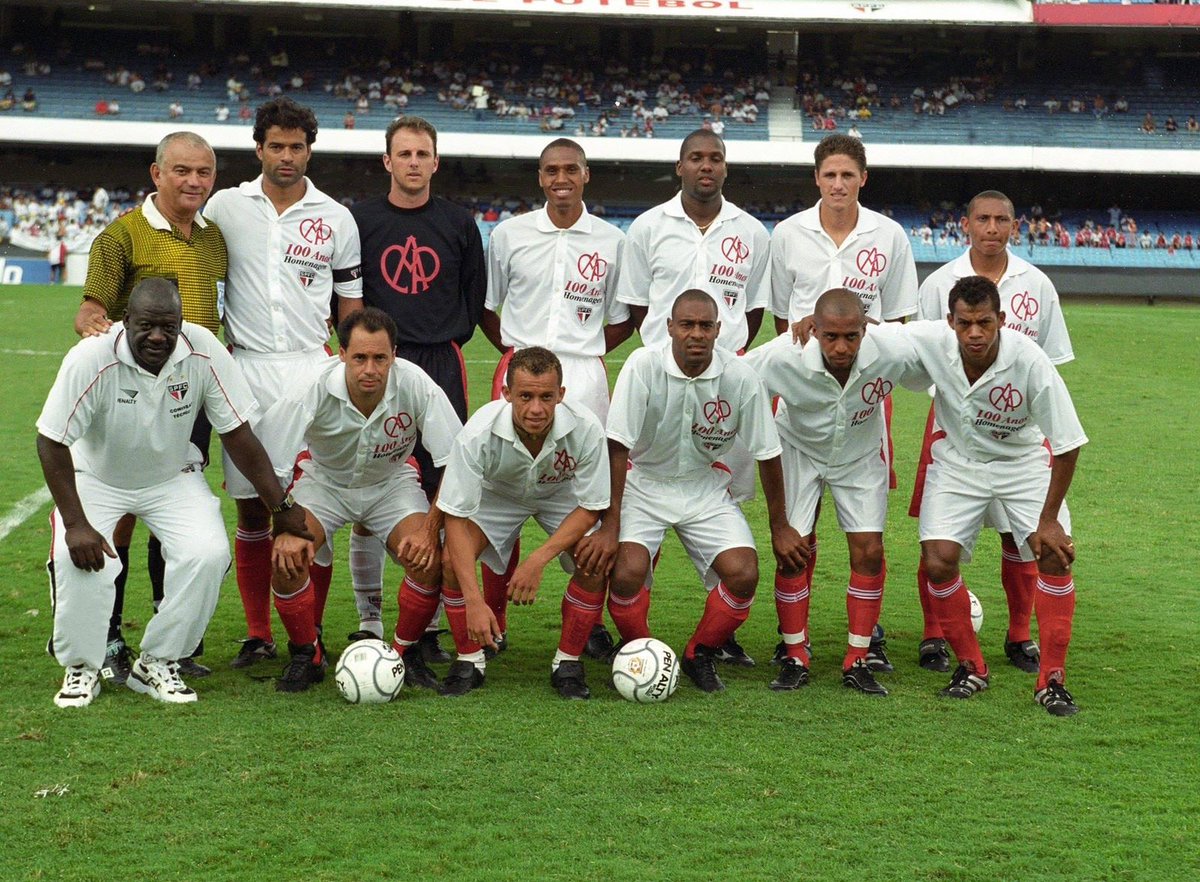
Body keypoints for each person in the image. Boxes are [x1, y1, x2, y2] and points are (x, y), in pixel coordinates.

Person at [38, 279, 310, 707]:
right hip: (96, 477)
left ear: (182, 323)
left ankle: (158, 661)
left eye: (169, 326)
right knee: (79, 557)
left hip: (171, 476)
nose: (158, 337)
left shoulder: (202, 350)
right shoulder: (90, 357)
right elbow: (51, 440)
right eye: (146, 326)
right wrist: (75, 524)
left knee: (208, 553)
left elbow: (238, 434)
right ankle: (81, 667)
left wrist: (281, 506)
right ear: (126, 320)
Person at [202, 97, 363, 670]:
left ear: (309, 150)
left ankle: (309, 630)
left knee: (309, 508)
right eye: (277, 146)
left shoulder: (336, 217)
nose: (287, 156)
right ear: (259, 149)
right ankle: (257, 633)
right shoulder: (225, 207)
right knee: (251, 509)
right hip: (244, 369)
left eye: (297, 146)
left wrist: (347, 366)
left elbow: (350, 302)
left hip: (310, 369)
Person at [595, 291, 808, 693]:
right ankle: (644, 652)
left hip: (704, 485)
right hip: (644, 483)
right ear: (669, 328)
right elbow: (618, 447)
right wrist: (610, 523)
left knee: (743, 573)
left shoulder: (740, 376)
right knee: (626, 573)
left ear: (718, 330)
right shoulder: (643, 365)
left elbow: (767, 453)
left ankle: (699, 654)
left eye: (705, 326)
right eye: (687, 325)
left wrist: (779, 525)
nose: (696, 334)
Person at [74, 131, 227, 685]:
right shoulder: (122, 236)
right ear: (156, 173)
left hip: (190, 398)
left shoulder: (213, 238)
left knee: (176, 517)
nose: (193, 181)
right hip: (129, 399)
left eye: (203, 172)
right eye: (182, 170)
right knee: (120, 519)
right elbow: (91, 308)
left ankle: (171, 641)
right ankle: (108, 637)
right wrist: (94, 324)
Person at [768, 133, 917, 671]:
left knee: (867, 539)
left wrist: (857, 334)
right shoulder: (787, 234)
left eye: (847, 175)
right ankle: (794, 643)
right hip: (804, 397)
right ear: (816, 178)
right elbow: (780, 318)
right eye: (829, 175)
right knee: (798, 534)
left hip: (863, 396)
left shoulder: (889, 235)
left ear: (863, 179)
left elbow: (900, 320)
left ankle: (865, 638)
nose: (838, 184)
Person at [904, 276, 1086, 715]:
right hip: (958, 462)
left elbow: (1067, 443)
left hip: (1021, 463)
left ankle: (1052, 680)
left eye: (984, 322)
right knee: (938, 559)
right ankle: (972, 667)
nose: (975, 333)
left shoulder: (1030, 360)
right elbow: (871, 334)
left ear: (1001, 319)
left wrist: (1048, 520)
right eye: (965, 323)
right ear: (949, 321)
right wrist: (814, 322)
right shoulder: (931, 340)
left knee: (1054, 554)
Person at [478, 137, 631, 660]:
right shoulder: (509, 234)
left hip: (584, 374)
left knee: (586, 491)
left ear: (586, 174)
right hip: (521, 370)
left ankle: (590, 625)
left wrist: (582, 353)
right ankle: (493, 620)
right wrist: (518, 356)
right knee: (503, 485)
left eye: (571, 169)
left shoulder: (612, 240)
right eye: (551, 170)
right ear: (540, 177)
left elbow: (622, 319)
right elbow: (488, 307)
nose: (560, 178)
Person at [910, 190, 1072, 675]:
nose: (992, 228)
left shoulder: (1037, 283)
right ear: (967, 224)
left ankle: (1020, 635)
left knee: (1019, 536)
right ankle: (934, 633)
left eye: (1002, 220)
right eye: (983, 218)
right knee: (938, 535)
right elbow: (922, 350)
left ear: (1014, 226)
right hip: (952, 427)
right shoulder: (939, 282)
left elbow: (1051, 365)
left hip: (1019, 430)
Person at [259, 308, 462, 692]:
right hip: (325, 482)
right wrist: (284, 523)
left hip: (391, 483)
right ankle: (306, 653)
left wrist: (429, 530)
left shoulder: (416, 383)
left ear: (394, 355)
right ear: (341, 354)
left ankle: (404, 653)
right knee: (288, 558)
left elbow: (455, 461)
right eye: (360, 358)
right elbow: (270, 461)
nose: (370, 369)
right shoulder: (311, 386)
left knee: (427, 557)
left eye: (380, 358)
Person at [743, 288, 926, 694]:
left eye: (851, 336)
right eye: (830, 336)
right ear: (814, 330)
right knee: (793, 551)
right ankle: (795, 655)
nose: (841, 347)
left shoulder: (892, 349)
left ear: (865, 329)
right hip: (799, 449)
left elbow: (943, 345)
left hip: (860, 454)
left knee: (869, 551)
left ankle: (857, 659)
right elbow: (733, 379)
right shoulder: (783, 355)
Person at [436, 346, 611, 699]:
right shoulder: (478, 432)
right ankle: (469, 659)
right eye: (525, 396)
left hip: (559, 494)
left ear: (561, 394)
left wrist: (537, 560)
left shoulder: (586, 427)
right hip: (497, 495)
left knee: (593, 559)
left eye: (546, 397)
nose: (536, 409)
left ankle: (568, 662)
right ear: (506, 393)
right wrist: (474, 600)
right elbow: (455, 516)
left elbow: (591, 507)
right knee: (451, 561)